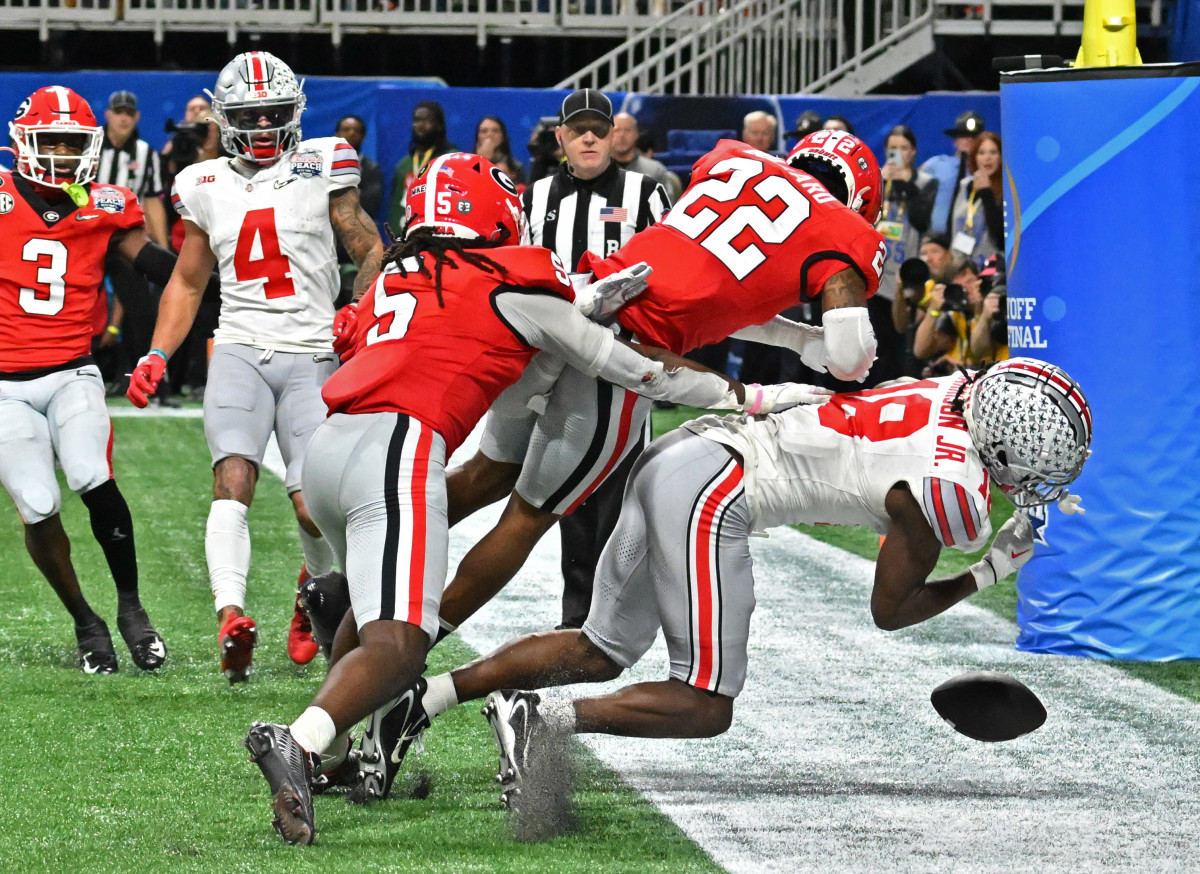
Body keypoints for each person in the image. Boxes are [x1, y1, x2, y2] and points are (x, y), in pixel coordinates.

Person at [239, 151, 825, 842]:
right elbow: (638, 370)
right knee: (405, 635)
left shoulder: (397, 271)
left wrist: (572, 298)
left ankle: (333, 749)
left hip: (331, 449)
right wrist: (757, 395)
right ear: (490, 211)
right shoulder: (509, 279)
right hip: (400, 449)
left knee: (392, 594)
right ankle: (310, 741)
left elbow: (416, 317)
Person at [380, 358, 1093, 831]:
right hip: (716, 488)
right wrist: (992, 571)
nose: (1038, 479)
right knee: (704, 705)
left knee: (601, 648)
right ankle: (539, 718)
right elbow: (891, 610)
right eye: (1036, 464)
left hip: (683, 454)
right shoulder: (953, 494)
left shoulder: (951, 387)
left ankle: (426, 697)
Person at [431, 129, 887, 684]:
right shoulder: (845, 228)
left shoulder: (734, 156)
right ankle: (405, 644)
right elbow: (847, 357)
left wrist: (795, 340)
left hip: (577, 302)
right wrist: (837, 350)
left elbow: (712, 283)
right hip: (625, 352)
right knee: (527, 518)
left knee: (486, 473)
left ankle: (366, 597)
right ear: (861, 196)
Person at [125, 51, 385, 683]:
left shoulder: (323, 163)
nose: (265, 125)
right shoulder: (202, 183)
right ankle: (230, 617)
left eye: (274, 112)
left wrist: (360, 308)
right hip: (239, 345)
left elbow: (368, 245)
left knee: (310, 505)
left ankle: (313, 595)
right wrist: (158, 352)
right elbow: (188, 282)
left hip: (311, 350)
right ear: (227, 117)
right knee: (232, 481)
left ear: (293, 112)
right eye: (251, 114)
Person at [0, 86, 193, 673]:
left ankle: (132, 608)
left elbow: (156, 264)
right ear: (22, 143)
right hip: (4, 384)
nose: (60, 153)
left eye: (71, 142)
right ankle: (86, 620)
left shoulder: (105, 204)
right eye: (50, 140)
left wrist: (214, 264)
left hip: (70, 371)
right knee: (36, 502)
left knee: (89, 470)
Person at [521, 89, 671, 633]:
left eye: (599, 130)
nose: (589, 137)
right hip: (560, 361)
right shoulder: (532, 197)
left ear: (615, 136)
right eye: (578, 129)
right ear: (560, 137)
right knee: (567, 481)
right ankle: (577, 613)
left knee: (623, 482)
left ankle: (617, 612)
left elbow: (668, 271)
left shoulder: (647, 193)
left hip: (626, 357)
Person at [96, 90, 173, 403]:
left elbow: (152, 201)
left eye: (130, 112)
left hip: (123, 240)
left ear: (137, 117)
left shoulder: (145, 153)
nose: (124, 117)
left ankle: (155, 384)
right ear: (109, 115)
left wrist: (163, 252)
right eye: (119, 111)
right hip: (86, 235)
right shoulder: (90, 147)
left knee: (142, 310)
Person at [873, 125, 936, 383]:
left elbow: (923, 221)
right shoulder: (876, 178)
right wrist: (881, 182)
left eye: (903, 148)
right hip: (877, 277)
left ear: (913, 152)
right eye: (892, 149)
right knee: (878, 351)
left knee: (905, 351)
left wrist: (906, 184)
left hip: (909, 276)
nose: (897, 154)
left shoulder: (925, 182)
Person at [333, 114, 384, 303]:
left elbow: (371, 203)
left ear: (363, 137)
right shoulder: (324, 168)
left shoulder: (371, 169)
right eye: (346, 129)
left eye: (356, 130)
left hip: (355, 250)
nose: (350, 134)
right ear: (337, 134)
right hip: (328, 247)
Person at [387, 101, 456, 231]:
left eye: (427, 120)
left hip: (437, 235)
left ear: (439, 125)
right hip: (403, 238)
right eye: (417, 120)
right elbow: (395, 208)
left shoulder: (450, 159)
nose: (421, 125)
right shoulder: (403, 165)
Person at [912, 256, 985, 373]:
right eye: (959, 287)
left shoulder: (990, 308)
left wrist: (979, 309)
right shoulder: (954, 315)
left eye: (970, 282)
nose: (966, 289)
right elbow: (921, 351)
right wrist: (933, 309)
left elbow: (982, 349)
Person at [920, 110, 984, 235]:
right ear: (954, 141)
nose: (968, 140)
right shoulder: (936, 164)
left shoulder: (986, 172)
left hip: (970, 238)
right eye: (963, 135)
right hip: (934, 238)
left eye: (973, 137)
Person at [949, 131, 1003, 269]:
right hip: (961, 267)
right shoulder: (965, 185)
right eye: (982, 153)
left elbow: (999, 237)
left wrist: (986, 192)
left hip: (992, 268)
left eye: (993, 152)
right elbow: (952, 224)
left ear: (1001, 157)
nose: (987, 158)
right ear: (974, 158)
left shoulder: (1006, 191)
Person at [610, 111, 681, 201]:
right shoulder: (598, 170)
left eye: (627, 130)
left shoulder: (656, 170)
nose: (622, 135)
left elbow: (666, 209)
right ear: (609, 134)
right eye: (617, 130)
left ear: (637, 134)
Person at [473, 115, 526, 186]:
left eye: (495, 131)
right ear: (478, 136)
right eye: (484, 131)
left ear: (503, 136)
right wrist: (482, 160)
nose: (490, 134)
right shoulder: (468, 166)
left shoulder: (515, 167)